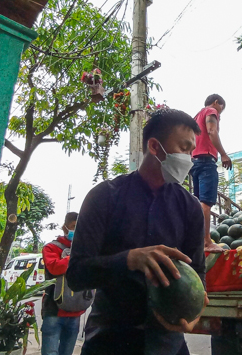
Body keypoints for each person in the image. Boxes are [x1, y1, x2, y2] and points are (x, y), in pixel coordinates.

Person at [67, 109, 208, 355]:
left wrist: (194, 313)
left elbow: (197, 271)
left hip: (168, 344)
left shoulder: (190, 207)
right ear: (154, 146)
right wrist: (130, 259)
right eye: (183, 148)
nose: (189, 158)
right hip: (108, 342)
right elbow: (76, 274)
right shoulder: (103, 197)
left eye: (191, 151)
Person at [189, 94, 232, 252]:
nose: (220, 112)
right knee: (206, 203)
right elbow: (212, 131)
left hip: (194, 162)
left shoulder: (195, 118)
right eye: (221, 107)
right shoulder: (210, 111)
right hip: (206, 161)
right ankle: (207, 242)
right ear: (216, 102)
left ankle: (199, 241)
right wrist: (224, 154)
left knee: (199, 203)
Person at [41, 212, 85, 355]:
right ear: (65, 228)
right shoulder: (51, 248)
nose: (76, 230)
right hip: (54, 312)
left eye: (79, 227)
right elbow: (55, 267)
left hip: (75, 312)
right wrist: (75, 255)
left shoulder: (84, 249)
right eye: (73, 226)